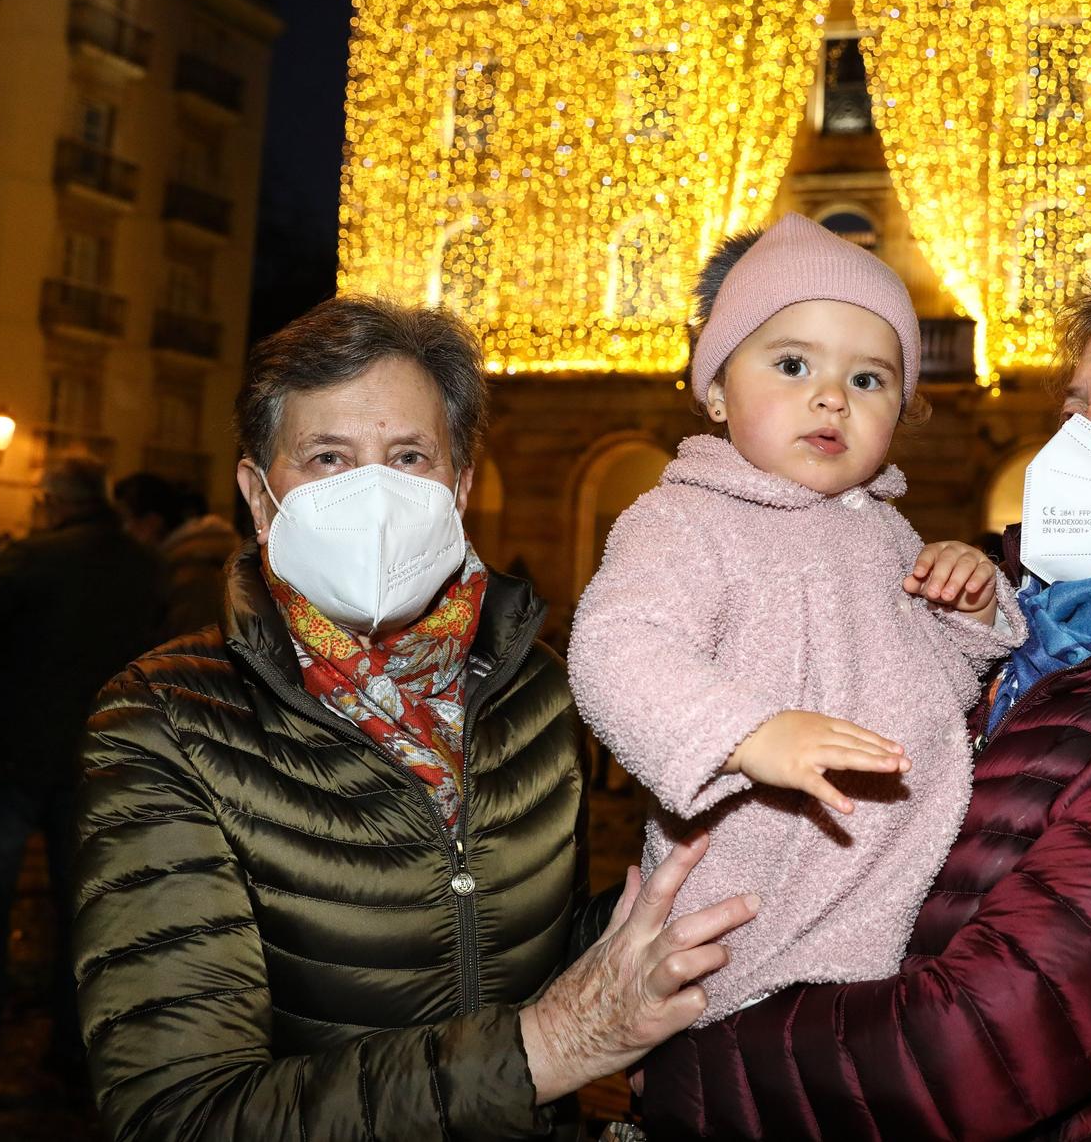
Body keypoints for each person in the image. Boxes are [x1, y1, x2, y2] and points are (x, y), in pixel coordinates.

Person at [639, 267, 1091, 1139]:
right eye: (1074, 407)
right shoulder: (1005, 625)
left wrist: (675, 1054)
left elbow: (976, 1044)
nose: (1078, 444)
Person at [67, 297, 759, 1140]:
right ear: (258, 494)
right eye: (328, 457)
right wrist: (547, 1047)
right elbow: (178, 1114)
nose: (374, 495)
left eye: (408, 457)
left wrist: (694, 893)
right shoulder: (165, 720)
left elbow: (540, 945)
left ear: (460, 486)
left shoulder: (534, 687)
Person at [569, 216, 1027, 1020]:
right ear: (716, 388)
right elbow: (616, 648)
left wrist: (971, 611)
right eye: (792, 364)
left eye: (868, 380)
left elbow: (932, 689)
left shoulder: (887, 533)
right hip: (746, 931)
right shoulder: (683, 519)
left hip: (886, 919)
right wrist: (747, 734)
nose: (830, 397)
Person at [0, 456, 169, 1107]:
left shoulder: (29, 558)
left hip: (13, 755)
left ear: (51, 500)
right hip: (99, 761)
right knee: (82, 914)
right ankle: (73, 1051)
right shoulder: (144, 564)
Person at [112, 470, 241, 638]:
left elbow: (188, 650)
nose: (123, 530)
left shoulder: (194, 572)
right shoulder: (181, 562)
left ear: (152, 522)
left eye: (126, 520)